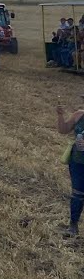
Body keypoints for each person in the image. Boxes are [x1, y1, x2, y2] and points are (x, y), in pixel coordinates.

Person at [54, 95, 84, 237]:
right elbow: (63, 129)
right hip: (77, 162)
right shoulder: (79, 115)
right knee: (77, 194)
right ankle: (73, 226)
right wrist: (60, 115)